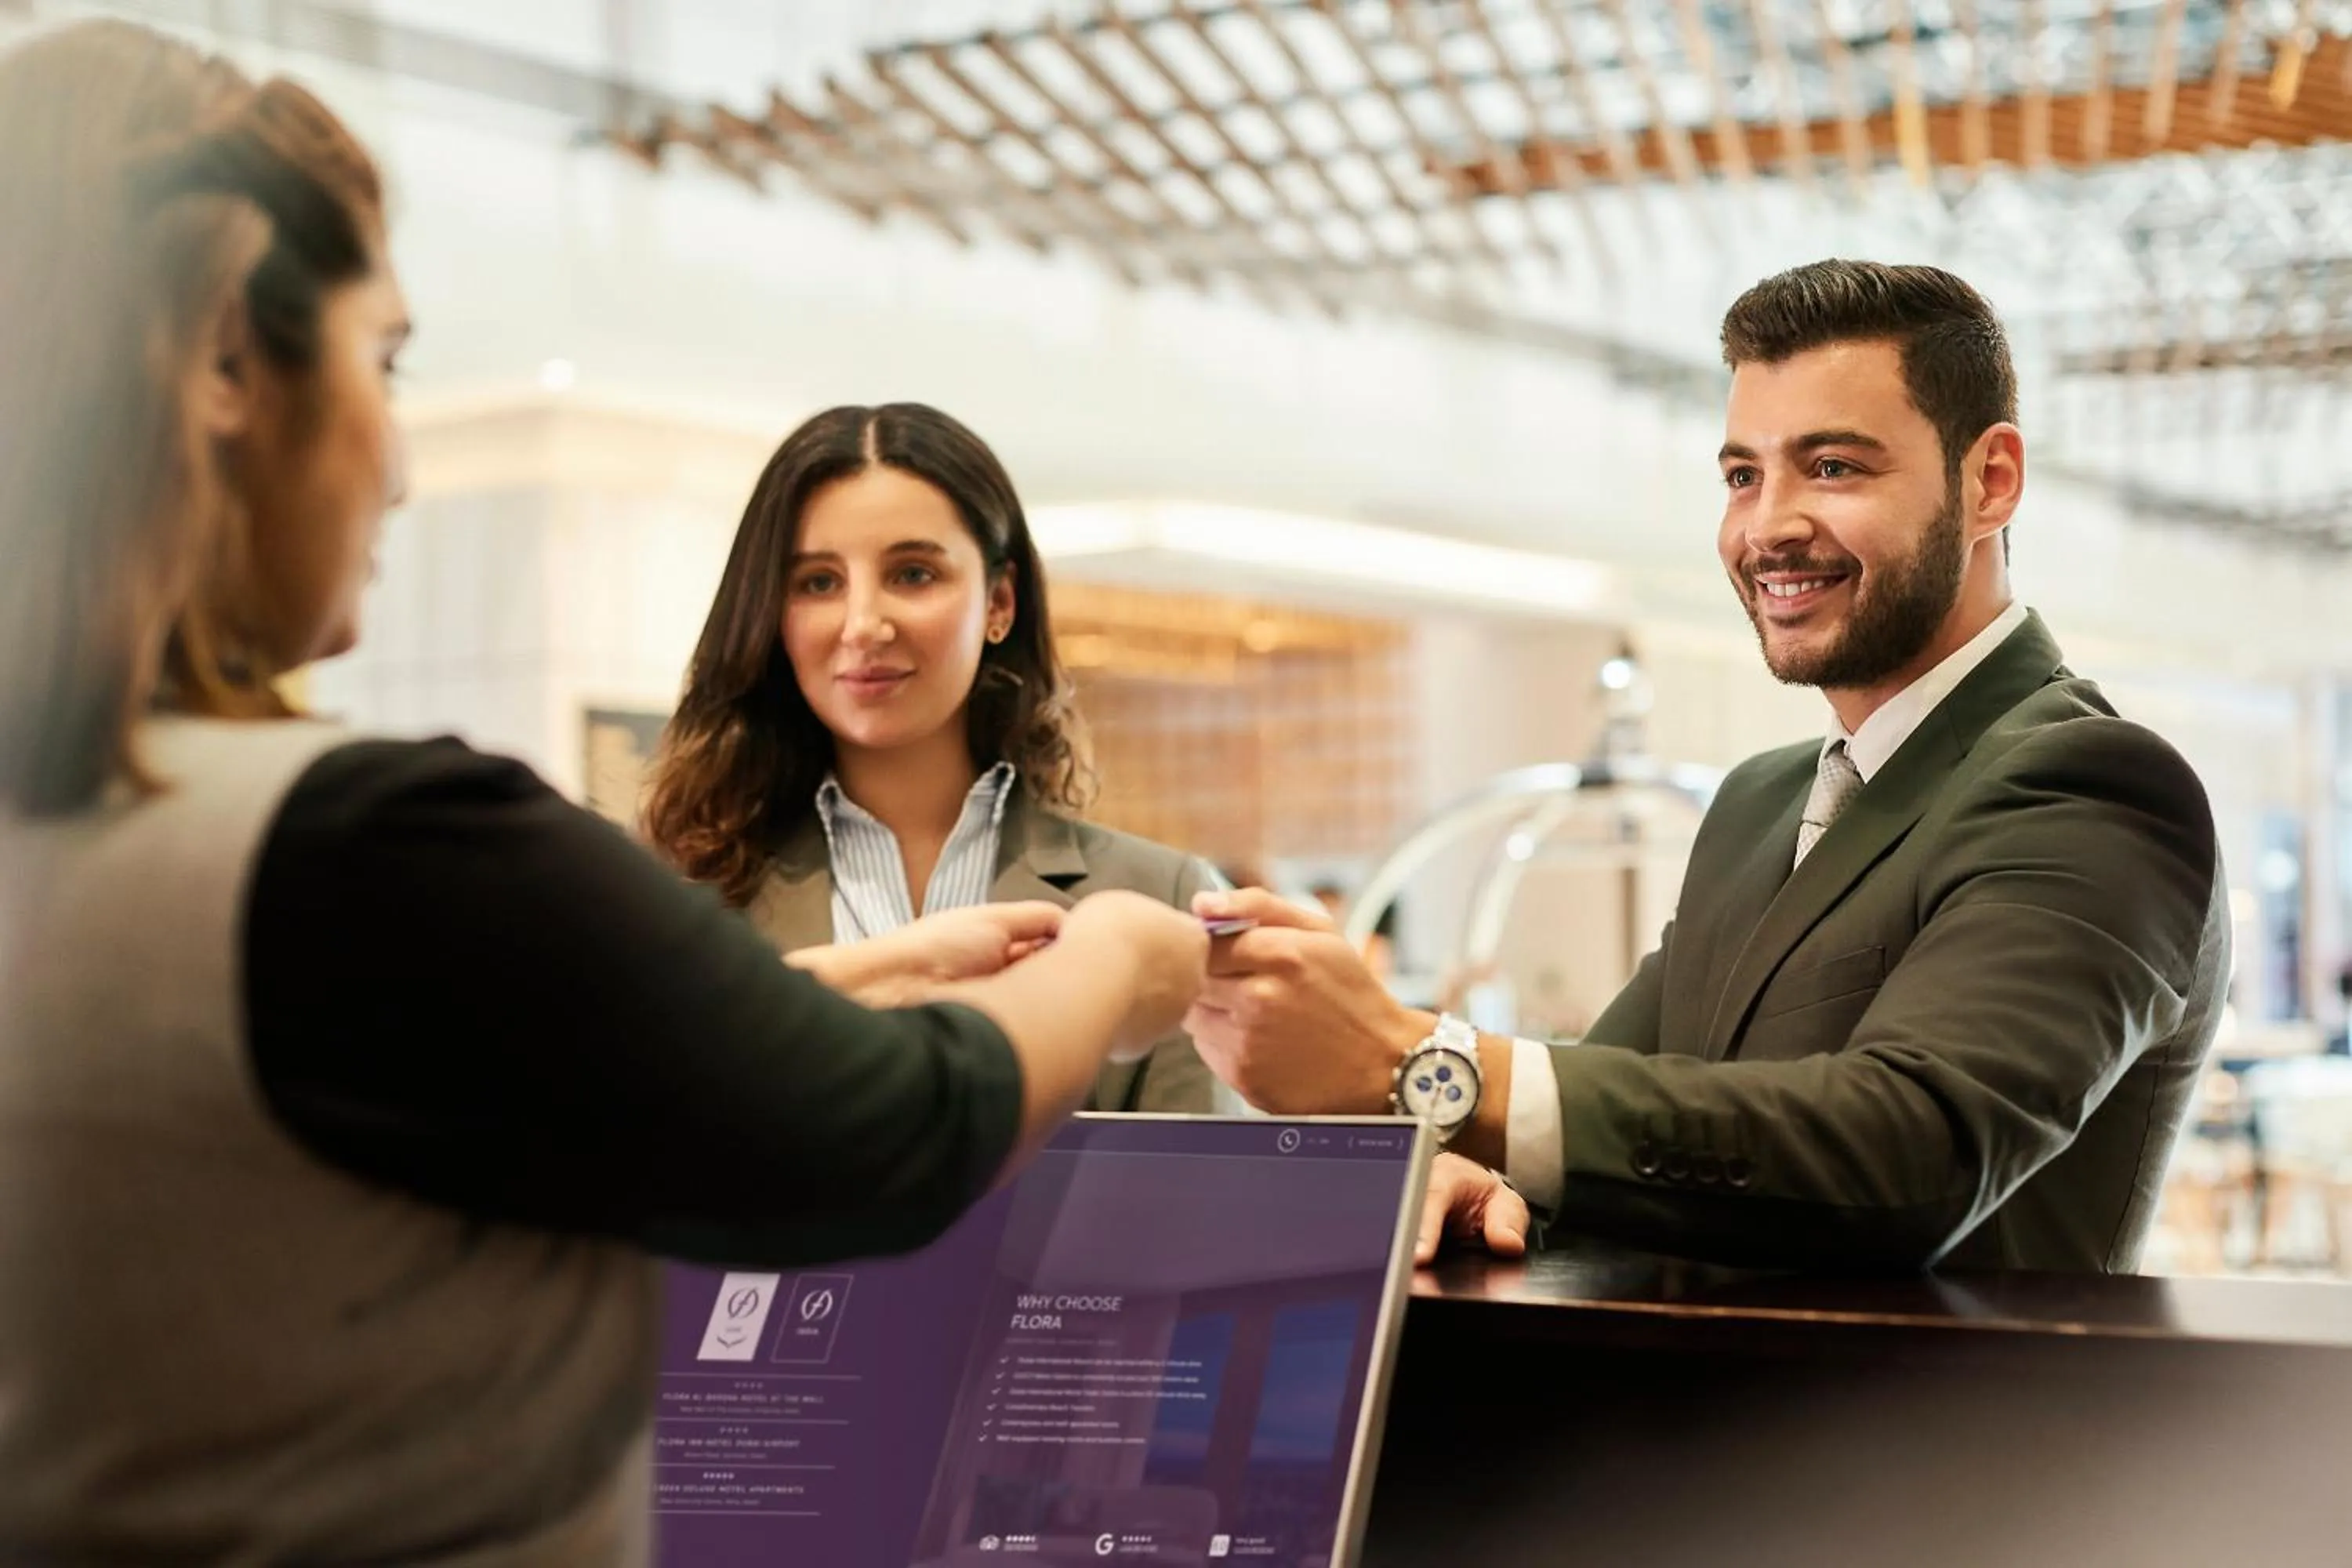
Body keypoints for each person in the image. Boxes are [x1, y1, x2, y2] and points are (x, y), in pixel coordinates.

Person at [0, 20, 1207, 1562]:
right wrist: (1113, 959)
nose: (400, 467)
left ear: (1000, 598)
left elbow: (434, 1069)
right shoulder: (364, 848)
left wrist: (852, 978)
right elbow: (890, 1136)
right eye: (385, 362)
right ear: (232, 359)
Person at [1191, 260, 2230, 1275]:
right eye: (1744, 474)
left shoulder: (2091, 784)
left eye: (1834, 467)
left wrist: (1420, 1064)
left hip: (1958, 1442)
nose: (1767, 526)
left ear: (1990, 481)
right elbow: (1616, 1093)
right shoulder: (1762, 803)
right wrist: (1497, 1176)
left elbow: (1912, 1153)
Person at [641, 402, 1221, 1113]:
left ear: (1000, 601)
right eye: (819, 582)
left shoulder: (1157, 899)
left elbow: (1200, 1209)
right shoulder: (679, 900)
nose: (863, 626)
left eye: (913, 574)